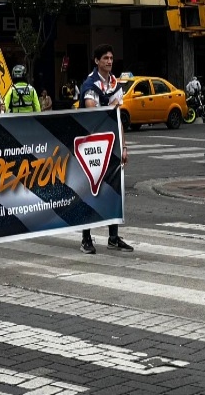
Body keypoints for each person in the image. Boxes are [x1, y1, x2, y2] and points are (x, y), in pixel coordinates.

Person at [77, 44, 133, 254]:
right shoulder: (90, 85)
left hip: (112, 146)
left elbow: (117, 119)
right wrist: (112, 107)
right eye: (105, 58)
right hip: (91, 146)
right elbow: (93, 114)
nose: (109, 61)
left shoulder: (115, 84)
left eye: (111, 58)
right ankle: (86, 238)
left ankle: (113, 236)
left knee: (113, 191)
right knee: (89, 192)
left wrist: (124, 146)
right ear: (96, 61)